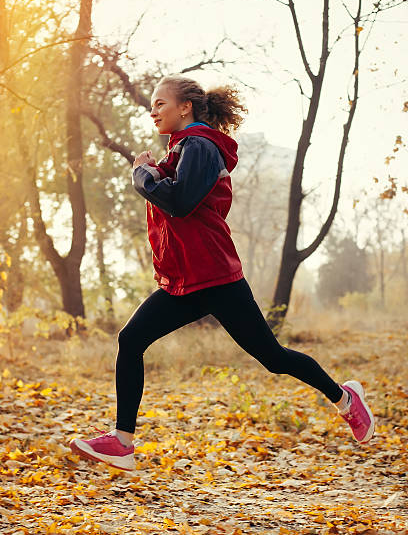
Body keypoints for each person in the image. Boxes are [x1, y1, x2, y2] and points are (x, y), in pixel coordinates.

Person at [69, 74, 375, 472]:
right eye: (153, 104)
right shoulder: (182, 150)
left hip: (216, 277)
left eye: (161, 103)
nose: (153, 110)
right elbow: (176, 196)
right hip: (186, 280)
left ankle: (346, 399)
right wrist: (154, 172)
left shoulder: (199, 145)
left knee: (273, 358)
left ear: (186, 108)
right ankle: (122, 442)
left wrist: (141, 175)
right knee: (131, 339)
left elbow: (179, 203)